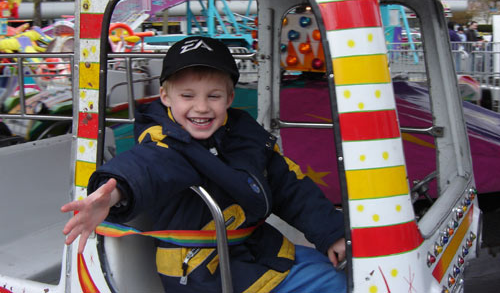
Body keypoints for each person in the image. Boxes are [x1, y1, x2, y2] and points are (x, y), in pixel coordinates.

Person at [61, 36, 346, 293]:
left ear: (229, 99)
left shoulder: (242, 136)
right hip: (204, 271)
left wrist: (331, 233)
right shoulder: (166, 144)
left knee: (340, 269)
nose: (201, 107)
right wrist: (111, 195)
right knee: (331, 283)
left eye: (213, 96)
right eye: (187, 96)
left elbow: (289, 186)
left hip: (253, 250)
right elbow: (144, 168)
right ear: (165, 98)